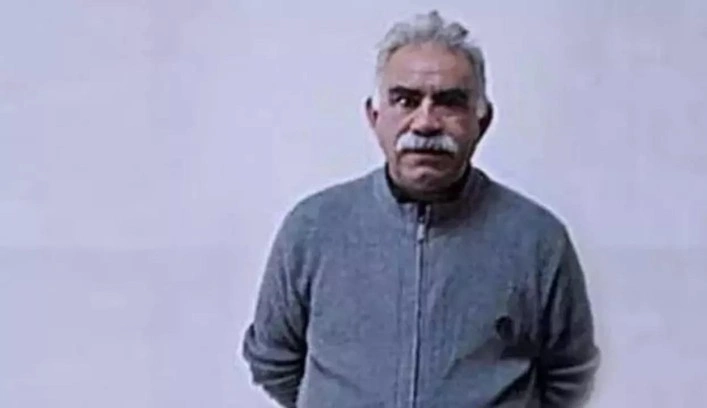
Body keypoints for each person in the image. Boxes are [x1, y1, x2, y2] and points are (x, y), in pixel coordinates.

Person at [240, 10, 600, 408]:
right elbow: (273, 360)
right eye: (405, 100)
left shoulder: (537, 240)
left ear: (481, 121)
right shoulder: (312, 229)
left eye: (449, 102)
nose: (425, 122)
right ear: (374, 117)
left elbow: (572, 375)